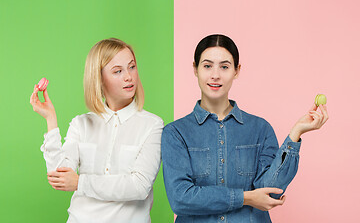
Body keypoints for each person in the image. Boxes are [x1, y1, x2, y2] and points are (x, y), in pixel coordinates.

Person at [161, 34, 328, 222]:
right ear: (195, 69)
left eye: (224, 67)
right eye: (207, 66)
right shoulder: (176, 133)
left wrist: (295, 134)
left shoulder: (260, 129)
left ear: (236, 70)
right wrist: (246, 198)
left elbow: (270, 193)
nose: (215, 75)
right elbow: (181, 199)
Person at [30, 38, 163, 223]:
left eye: (131, 67)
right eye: (118, 71)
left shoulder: (152, 125)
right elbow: (59, 176)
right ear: (98, 78)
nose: (129, 76)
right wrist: (50, 120)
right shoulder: (81, 124)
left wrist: (80, 182)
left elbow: (139, 186)